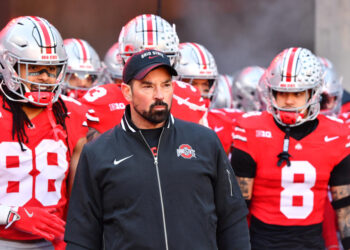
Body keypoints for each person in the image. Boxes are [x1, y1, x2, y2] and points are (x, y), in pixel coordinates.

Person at [65, 49, 250, 249]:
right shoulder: (98, 153)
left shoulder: (204, 141)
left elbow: (232, 219)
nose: (160, 95)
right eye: (148, 86)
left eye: (166, 85)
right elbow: (82, 238)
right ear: (127, 91)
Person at [231, 47, 350, 249]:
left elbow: (345, 206)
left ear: (313, 93)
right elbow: (237, 206)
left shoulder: (337, 134)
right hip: (261, 244)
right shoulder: (251, 129)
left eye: (297, 93)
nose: (288, 101)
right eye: (281, 92)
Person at [0, 16, 87, 249]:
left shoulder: (74, 114)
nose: (45, 77)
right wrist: (13, 215)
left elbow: (81, 197)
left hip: (54, 241)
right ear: (9, 66)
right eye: (33, 68)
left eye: (51, 69)